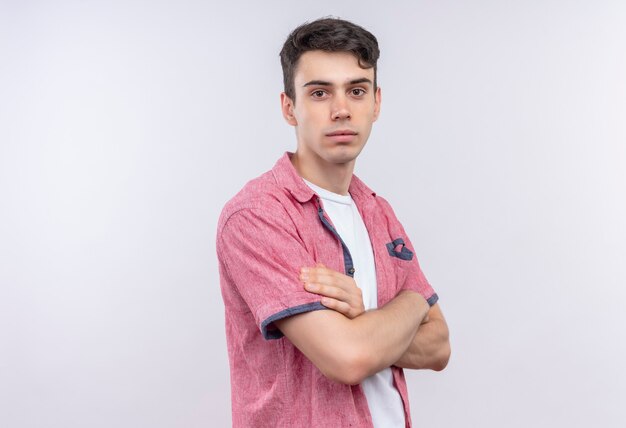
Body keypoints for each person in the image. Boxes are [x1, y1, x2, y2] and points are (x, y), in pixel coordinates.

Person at [216, 17, 450, 427]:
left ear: (376, 103)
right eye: (320, 92)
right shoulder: (256, 216)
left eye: (356, 91)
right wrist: (414, 303)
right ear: (289, 107)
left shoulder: (379, 211)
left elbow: (439, 346)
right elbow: (347, 358)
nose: (342, 110)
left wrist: (364, 316)